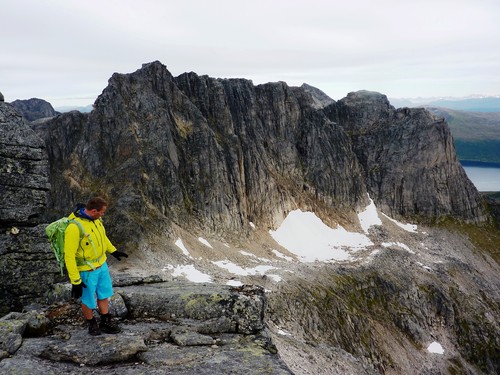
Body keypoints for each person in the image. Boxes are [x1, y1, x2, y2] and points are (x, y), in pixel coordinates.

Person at [64, 196, 128, 336]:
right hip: (87, 270)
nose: (103, 215)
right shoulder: (74, 228)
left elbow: (103, 238)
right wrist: (75, 281)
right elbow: (69, 256)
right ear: (94, 211)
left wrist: (113, 251)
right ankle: (92, 323)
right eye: (102, 212)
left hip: (101, 266)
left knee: (104, 294)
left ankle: (105, 320)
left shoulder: (96, 220)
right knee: (88, 299)